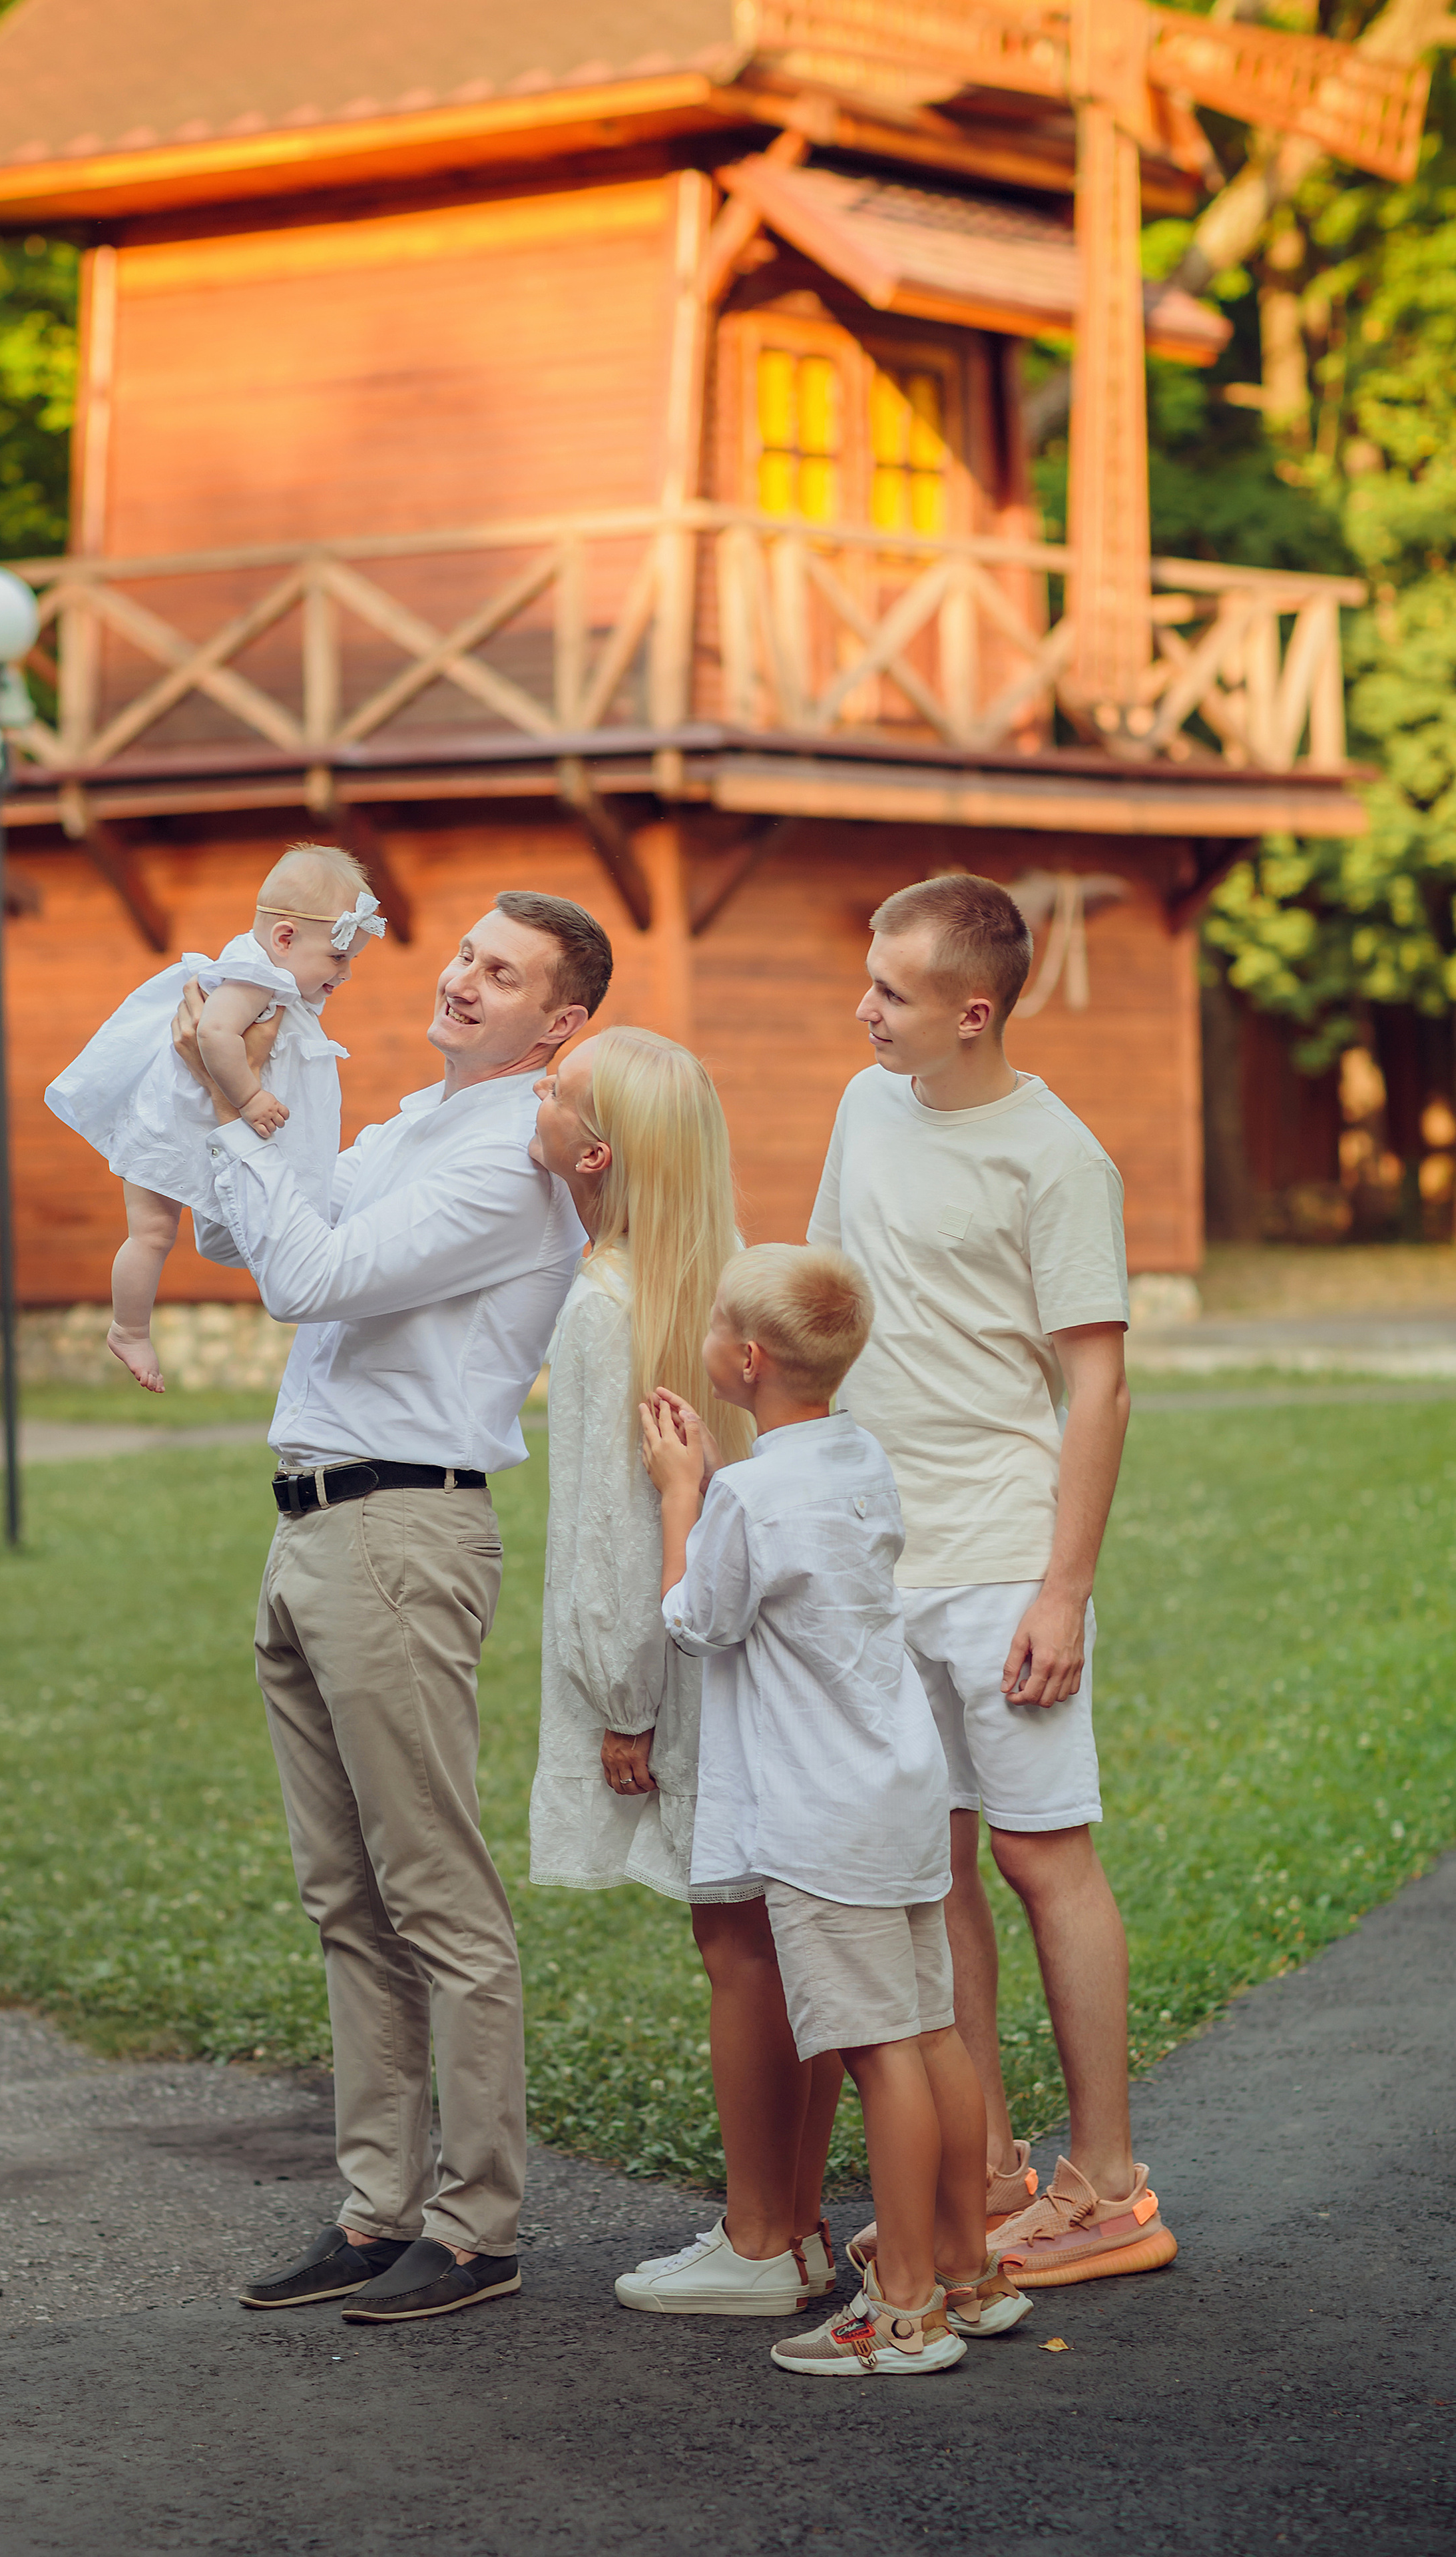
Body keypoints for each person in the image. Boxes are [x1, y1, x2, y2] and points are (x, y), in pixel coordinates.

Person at [177, 890, 612, 2324]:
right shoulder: (406, 1127)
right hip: (309, 1524)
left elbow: (307, 1274)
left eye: (502, 973)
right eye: (465, 956)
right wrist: (259, 1112)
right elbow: (252, 1253)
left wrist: (245, 1107)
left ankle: (476, 2225)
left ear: (560, 1022)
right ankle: (378, 2209)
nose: (463, 980)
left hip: (403, 1524)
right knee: (341, 1896)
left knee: (432, 1888)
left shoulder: (509, 1161)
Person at [808, 872, 1176, 2288]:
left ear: (973, 1012)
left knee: (1038, 1853)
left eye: (889, 995)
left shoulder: (1057, 1160)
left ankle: (1107, 2186)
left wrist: (1060, 1592)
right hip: (875, 1554)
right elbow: (827, 1290)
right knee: (932, 1864)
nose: (862, 1012)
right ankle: (982, 2166)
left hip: (997, 1564)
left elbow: (1099, 1391)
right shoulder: (861, 1107)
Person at [640, 1243, 1029, 2375]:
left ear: (745, 1360)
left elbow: (697, 1621)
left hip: (822, 1815)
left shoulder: (751, 1496)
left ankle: (903, 2309)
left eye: (715, 1321)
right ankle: (967, 2266)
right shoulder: (862, 1457)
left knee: (876, 2055)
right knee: (929, 2032)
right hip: (902, 1783)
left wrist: (684, 1494)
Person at [526, 1027, 841, 2317]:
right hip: (749, 1657)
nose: (533, 1099)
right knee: (779, 1936)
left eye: (553, 1092)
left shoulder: (603, 1304)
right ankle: (800, 2219)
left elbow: (611, 1532)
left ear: (593, 1153)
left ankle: (758, 2238)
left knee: (734, 1945)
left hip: (670, 1664)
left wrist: (619, 1704)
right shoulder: (716, 1283)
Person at [45, 842, 384, 1392]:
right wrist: (249, 1098)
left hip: (181, 1126)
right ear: (286, 938)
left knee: (155, 1234)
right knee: (152, 1235)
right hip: (174, 1128)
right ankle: (128, 1328)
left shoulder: (261, 973)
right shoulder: (254, 977)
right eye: (339, 957)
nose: (345, 974)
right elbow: (212, 1033)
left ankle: (129, 1326)